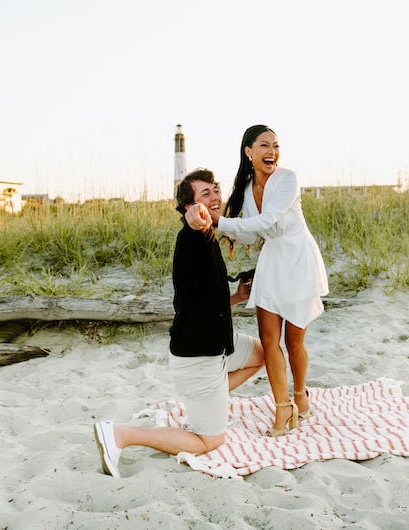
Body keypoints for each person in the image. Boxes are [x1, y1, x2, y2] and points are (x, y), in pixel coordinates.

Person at [93, 168, 265, 477]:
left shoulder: (209, 236)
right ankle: (122, 434)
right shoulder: (193, 236)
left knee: (261, 355)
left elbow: (203, 303)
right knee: (209, 439)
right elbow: (193, 221)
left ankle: (211, 405)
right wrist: (196, 218)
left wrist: (237, 298)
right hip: (198, 358)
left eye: (215, 190)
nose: (213, 197)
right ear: (188, 206)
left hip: (218, 345)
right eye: (204, 194)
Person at [186, 125, 328, 437]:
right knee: (269, 339)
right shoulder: (248, 186)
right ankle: (282, 408)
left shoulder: (286, 178)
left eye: (276, 146)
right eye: (264, 145)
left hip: (299, 259)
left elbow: (269, 220)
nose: (272, 152)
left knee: (294, 341)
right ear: (249, 152)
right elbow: (253, 232)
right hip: (273, 262)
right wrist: (216, 227)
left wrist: (220, 221)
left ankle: (301, 396)